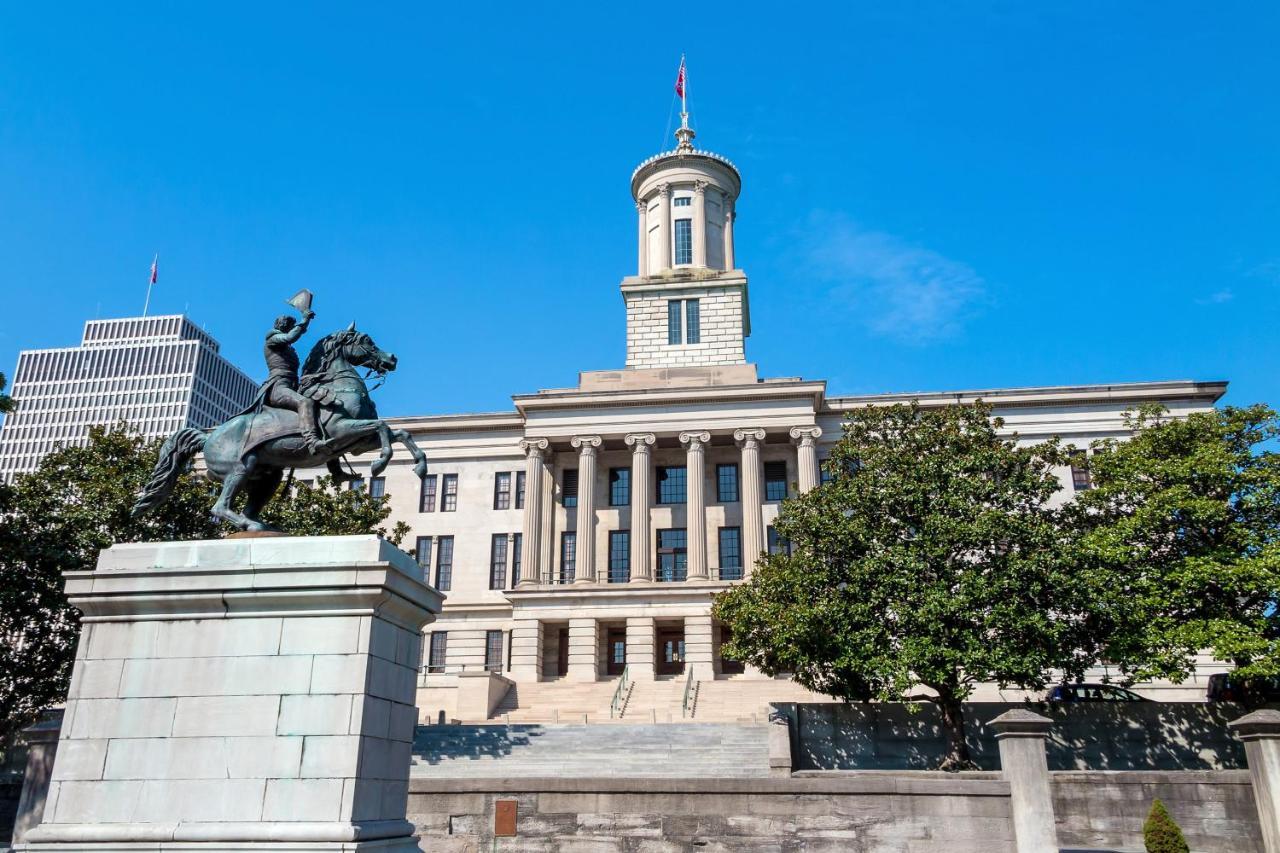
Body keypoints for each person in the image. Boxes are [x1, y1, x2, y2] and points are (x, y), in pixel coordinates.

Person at [260, 310, 329, 452]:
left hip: (293, 385)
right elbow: (291, 337)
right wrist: (304, 320)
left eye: (292, 326)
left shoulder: (286, 347)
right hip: (278, 386)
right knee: (305, 402)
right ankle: (312, 441)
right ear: (281, 325)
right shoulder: (272, 339)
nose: (291, 328)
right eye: (289, 326)